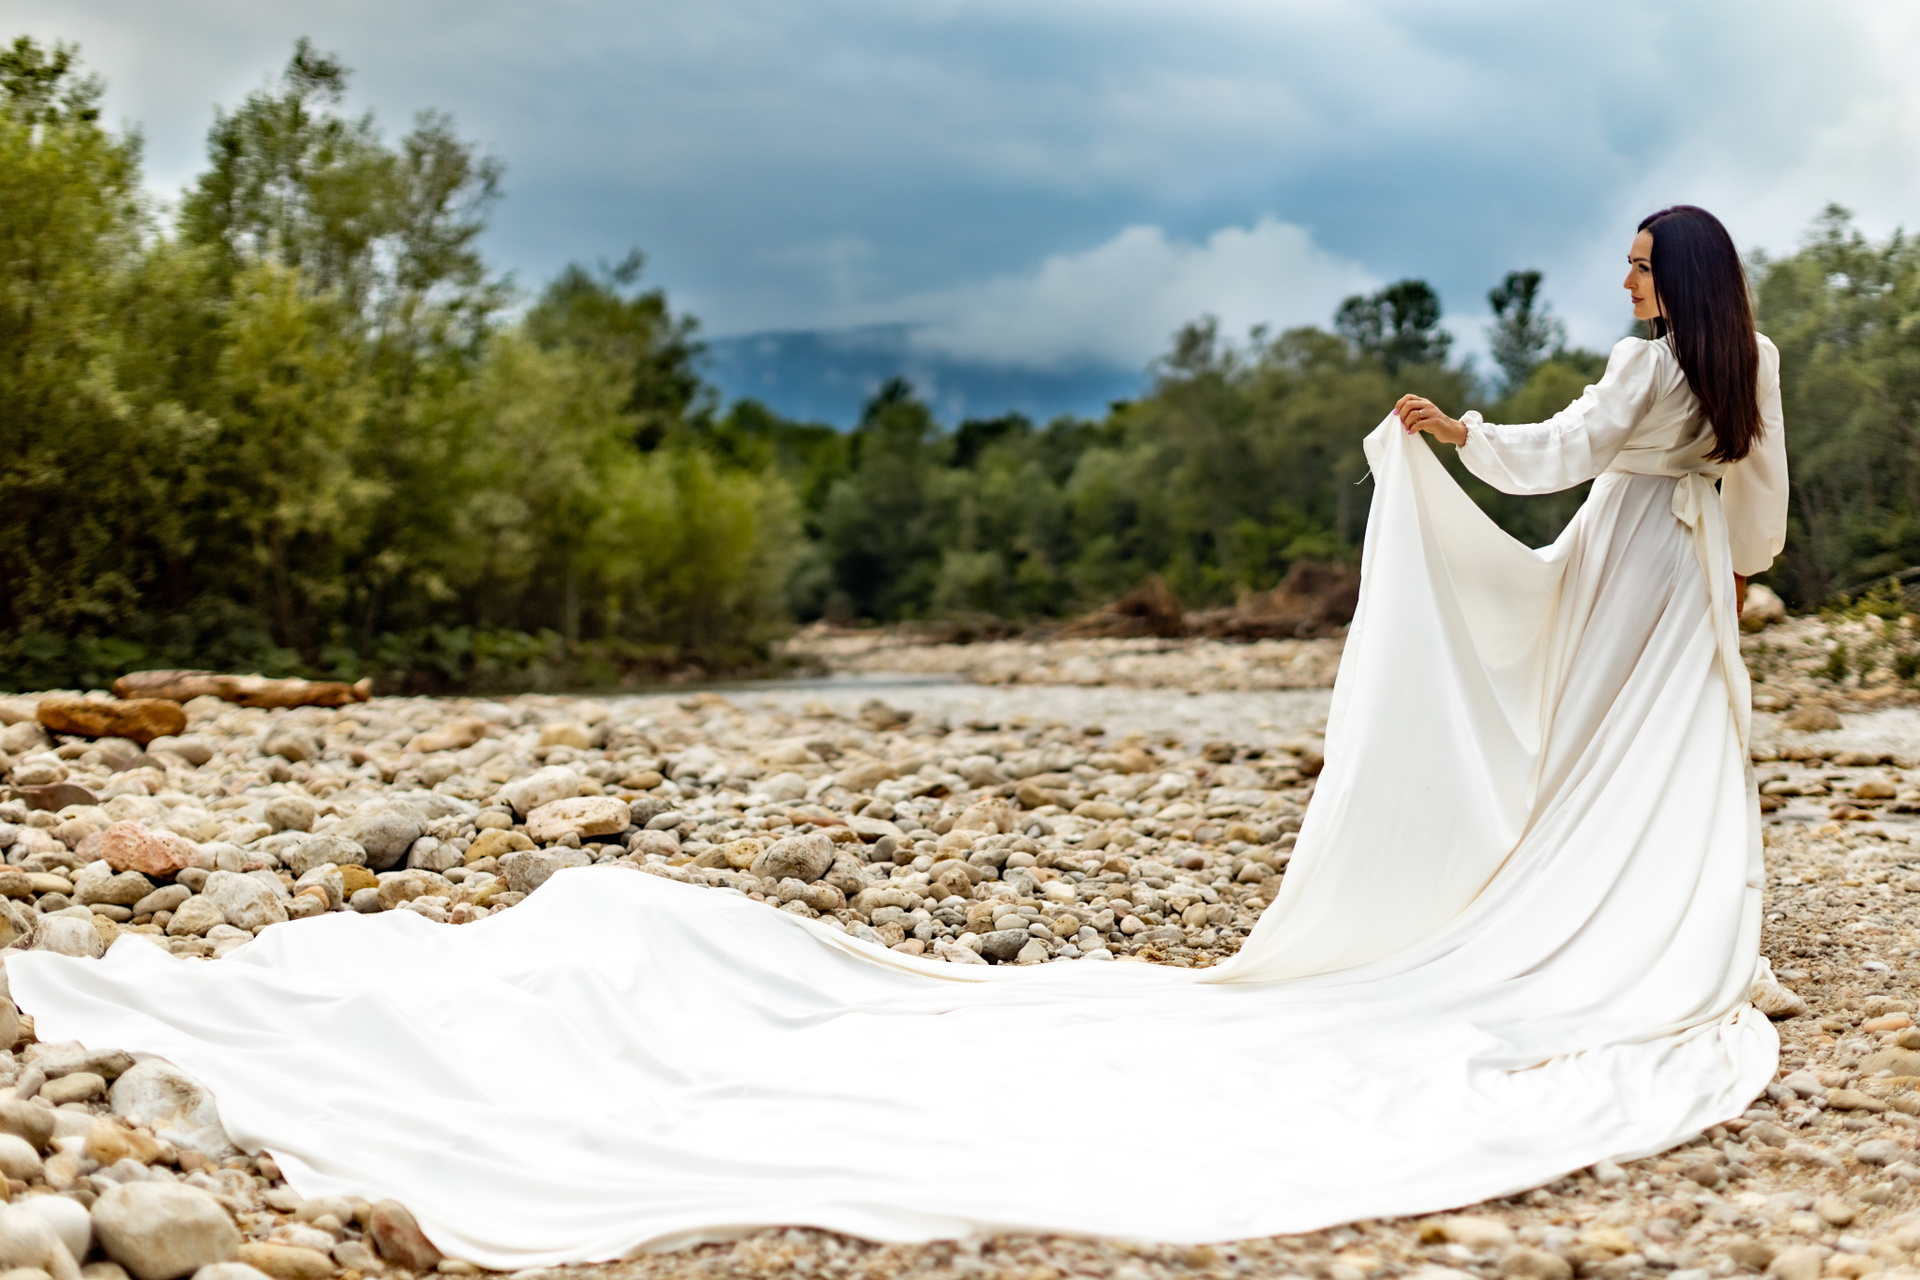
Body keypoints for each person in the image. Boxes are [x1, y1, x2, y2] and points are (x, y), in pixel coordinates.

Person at [9, 206, 1789, 1269]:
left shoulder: (1643, 372)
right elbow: (1763, 514)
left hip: (1622, 555)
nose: (1627, 281)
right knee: (1669, 752)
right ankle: (1684, 924)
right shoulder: (1742, 370)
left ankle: (1638, 930)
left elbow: (1559, 456)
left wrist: (1456, 432)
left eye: (1642, 266)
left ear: (1677, 279)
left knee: (1607, 758)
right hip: (1679, 577)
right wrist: (1708, 547)